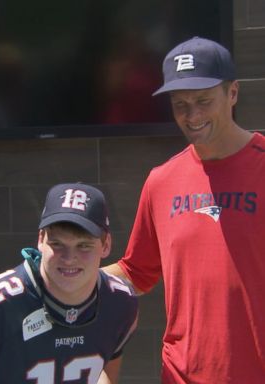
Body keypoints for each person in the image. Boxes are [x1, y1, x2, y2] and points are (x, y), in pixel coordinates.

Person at [103, 36, 265, 383]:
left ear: (233, 93)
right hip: (182, 376)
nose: (192, 116)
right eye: (181, 104)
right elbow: (136, 273)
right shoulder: (161, 181)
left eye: (204, 101)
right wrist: (51, 280)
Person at [0, 183, 138, 384]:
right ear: (41, 239)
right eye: (57, 244)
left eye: (84, 246)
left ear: (106, 245)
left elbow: (104, 369)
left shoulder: (120, 302)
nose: (69, 258)